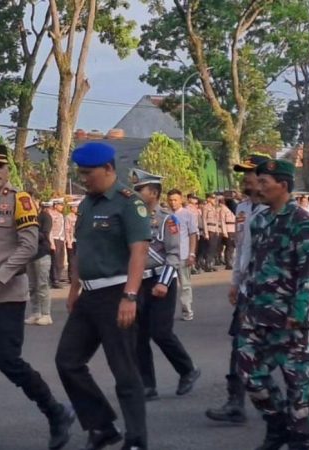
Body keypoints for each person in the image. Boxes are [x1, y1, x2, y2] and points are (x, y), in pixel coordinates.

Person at [0, 143, 75, 450]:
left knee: (9, 361)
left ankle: (56, 413)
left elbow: (28, 248)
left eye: (0, 166)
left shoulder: (20, 201)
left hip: (7, 295)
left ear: (7, 170)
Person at [55, 142, 151, 450]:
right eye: (80, 173)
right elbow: (81, 249)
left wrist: (131, 296)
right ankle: (101, 426)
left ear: (108, 169)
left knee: (123, 370)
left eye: (88, 173)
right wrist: (74, 288)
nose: (84, 178)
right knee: (67, 361)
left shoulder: (128, 202)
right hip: (89, 296)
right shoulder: (86, 203)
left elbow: (139, 251)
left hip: (118, 293)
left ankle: (137, 439)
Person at [237, 159, 309, 450]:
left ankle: (299, 437)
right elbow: (253, 266)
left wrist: (298, 312)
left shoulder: (303, 221)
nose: (258, 188)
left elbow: (307, 271)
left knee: (298, 382)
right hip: (257, 313)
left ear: (282, 186)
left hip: (290, 316)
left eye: (264, 183)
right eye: (257, 182)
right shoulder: (259, 220)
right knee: (249, 373)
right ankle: (277, 424)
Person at [205, 152, 270, 424]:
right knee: (239, 346)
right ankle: (236, 402)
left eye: (250, 174)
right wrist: (235, 282)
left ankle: (289, 406)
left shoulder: (275, 209)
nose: (246, 178)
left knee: (277, 351)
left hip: (271, 292)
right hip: (247, 289)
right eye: (244, 174)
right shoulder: (242, 209)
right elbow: (242, 248)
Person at [130, 168, 200, 402]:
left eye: (141, 189)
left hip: (162, 281)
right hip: (138, 282)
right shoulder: (131, 218)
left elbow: (173, 254)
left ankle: (187, 370)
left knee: (160, 332)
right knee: (138, 335)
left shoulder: (168, 220)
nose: (136, 193)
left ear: (154, 193)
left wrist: (163, 282)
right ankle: (147, 385)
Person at [167, 189, 198, 321]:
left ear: (181, 200)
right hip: (168, 257)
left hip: (183, 255)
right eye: (170, 200)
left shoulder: (188, 214)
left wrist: (192, 254)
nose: (173, 203)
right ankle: (166, 313)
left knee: (185, 285)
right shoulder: (165, 216)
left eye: (175, 200)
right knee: (166, 285)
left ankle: (187, 310)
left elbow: (192, 235)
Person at [26, 200, 54, 326]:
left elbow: (44, 234)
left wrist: (28, 234)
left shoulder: (44, 216)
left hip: (42, 253)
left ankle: (46, 314)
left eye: (31, 202)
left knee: (42, 284)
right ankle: (35, 312)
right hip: (30, 255)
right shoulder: (25, 218)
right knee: (32, 286)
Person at [49, 198, 67, 288]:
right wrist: (51, 242)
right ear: (55, 205)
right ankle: (54, 280)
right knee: (55, 260)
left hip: (61, 239)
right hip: (54, 239)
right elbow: (50, 230)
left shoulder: (61, 215)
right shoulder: (51, 215)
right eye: (60, 205)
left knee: (60, 260)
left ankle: (58, 278)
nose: (62, 207)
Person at [202, 193, 220, 272]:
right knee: (210, 248)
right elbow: (204, 220)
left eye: (214, 198)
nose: (214, 200)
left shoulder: (214, 208)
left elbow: (216, 220)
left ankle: (210, 264)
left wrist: (217, 230)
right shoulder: (206, 207)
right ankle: (207, 265)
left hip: (214, 229)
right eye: (212, 198)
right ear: (208, 199)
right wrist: (206, 232)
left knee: (213, 248)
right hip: (209, 229)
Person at [219, 196, 236, 270]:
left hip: (234, 228)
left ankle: (231, 261)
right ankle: (228, 263)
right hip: (228, 228)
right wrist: (224, 231)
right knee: (229, 247)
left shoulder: (233, 208)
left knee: (232, 247)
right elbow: (222, 221)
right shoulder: (223, 209)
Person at [65, 201, 78, 283]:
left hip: (78, 240)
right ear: (72, 208)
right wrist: (68, 241)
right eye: (76, 207)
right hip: (71, 240)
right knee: (71, 260)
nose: (77, 208)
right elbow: (67, 230)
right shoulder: (68, 217)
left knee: (78, 259)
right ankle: (71, 277)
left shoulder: (79, 216)